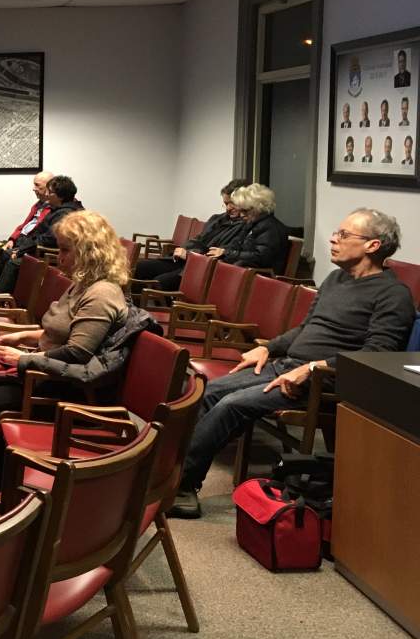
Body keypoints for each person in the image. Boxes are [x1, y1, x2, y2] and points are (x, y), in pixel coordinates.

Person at [173, 209, 414, 518]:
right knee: (207, 392)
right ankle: (172, 475)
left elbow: (375, 356)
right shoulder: (336, 279)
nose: (333, 239)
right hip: (288, 365)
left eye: (343, 235)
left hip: (323, 381)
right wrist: (267, 348)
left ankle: (182, 487)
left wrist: (312, 369)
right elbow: (305, 329)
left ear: (373, 245)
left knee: (231, 405)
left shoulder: (394, 295)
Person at [0, 210, 132, 507]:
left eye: (65, 250)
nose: (59, 258)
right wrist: (22, 337)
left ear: (88, 251)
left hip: (68, 387)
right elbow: (58, 331)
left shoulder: (102, 294)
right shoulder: (82, 285)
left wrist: (24, 358)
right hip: (48, 371)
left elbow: (77, 353)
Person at [133, 178, 251, 291]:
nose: (228, 208)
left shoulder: (246, 227)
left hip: (203, 268)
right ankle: (133, 304)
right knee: (140, 267)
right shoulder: (216, 219)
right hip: (185, 260)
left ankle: (167, 305)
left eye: (232, 203)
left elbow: (221, 254)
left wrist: (190, 255)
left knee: (161, 282)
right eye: (226, 203)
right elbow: (198, 239)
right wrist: (183, 249)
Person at [0, 174, 82, 292]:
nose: (47, 194)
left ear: (60, 196)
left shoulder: (65, 214)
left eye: (50, 192)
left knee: (14, 262)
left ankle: (2, 296)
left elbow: (48, 239)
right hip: (37, 249)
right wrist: (20, 248)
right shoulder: (56, 210)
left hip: (48, 254)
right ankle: (10, 294)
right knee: (5, 254)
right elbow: (37, 231)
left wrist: (20, 251)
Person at [209, 183, 289, 274]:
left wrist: (227, 253)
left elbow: (260, 257)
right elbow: (236, 244)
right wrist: (221, 251)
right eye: (240, 210)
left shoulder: (271, 228)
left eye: (245, 211)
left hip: (262, 275)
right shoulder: (253, 223)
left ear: (258, 208)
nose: (241, 215)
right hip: (247, 270)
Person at [1, 171, 54, 256]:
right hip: (21, 240)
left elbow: (43, 237)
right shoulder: (38, 205)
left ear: (49, 187)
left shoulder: (54, 209)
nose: (33, 188)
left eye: (37, 185)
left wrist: (21, 249)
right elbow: (24, 225)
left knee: (4, 255)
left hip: (30, 245)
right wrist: (12, 239)